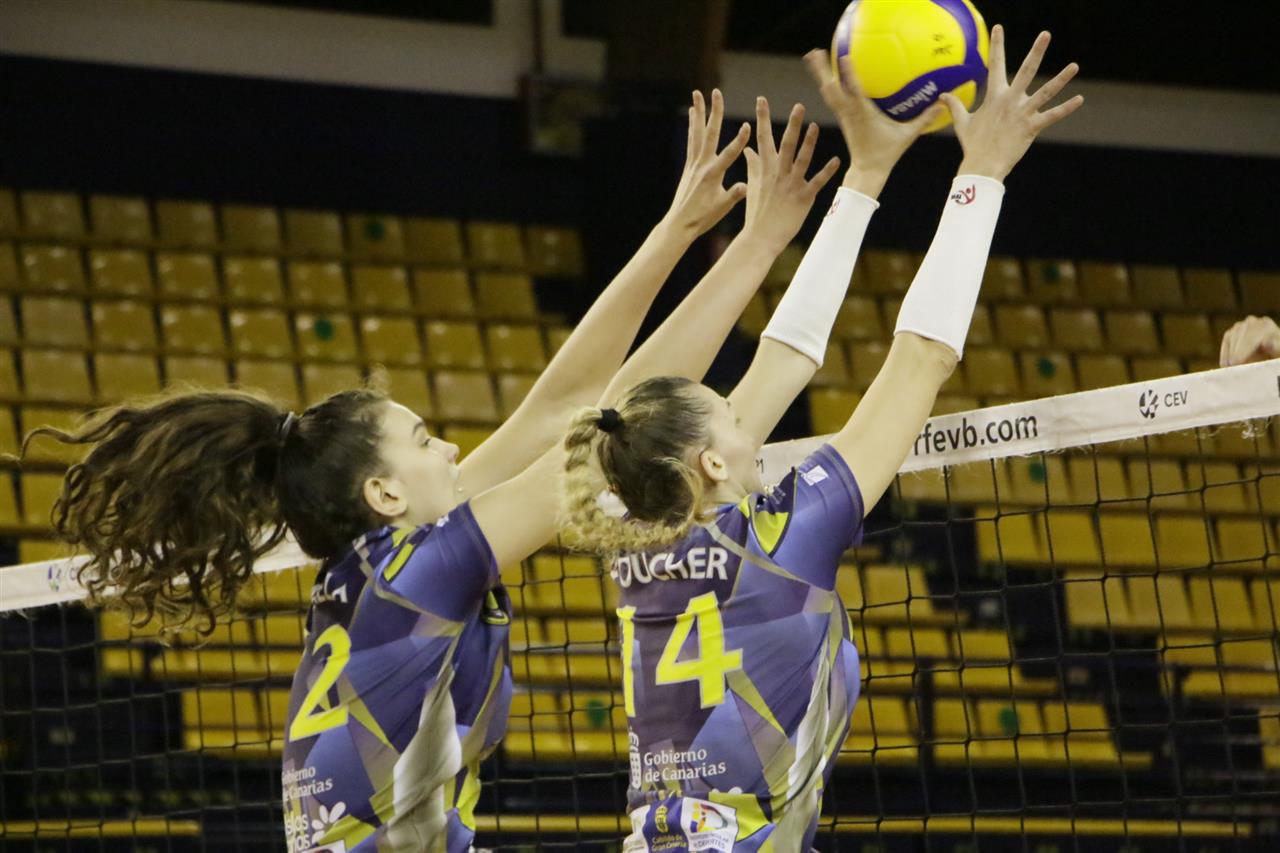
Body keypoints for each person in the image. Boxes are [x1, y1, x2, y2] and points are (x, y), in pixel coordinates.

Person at [24, 90, 841, 851]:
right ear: (383, 492)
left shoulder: (380, 571)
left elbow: (561, 406)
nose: (450, 450)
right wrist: (755, 245)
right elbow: (607, 423)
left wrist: (676, 231)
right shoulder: (419, 573)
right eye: (424, 440)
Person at [561, 28, 1083, 853]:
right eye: (733, 414)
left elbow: (786, 359)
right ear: (710, 461)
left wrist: (866, 178)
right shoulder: (784, 540)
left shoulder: (631, 537)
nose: (751, 419)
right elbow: (920, 359)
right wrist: (980, 175)